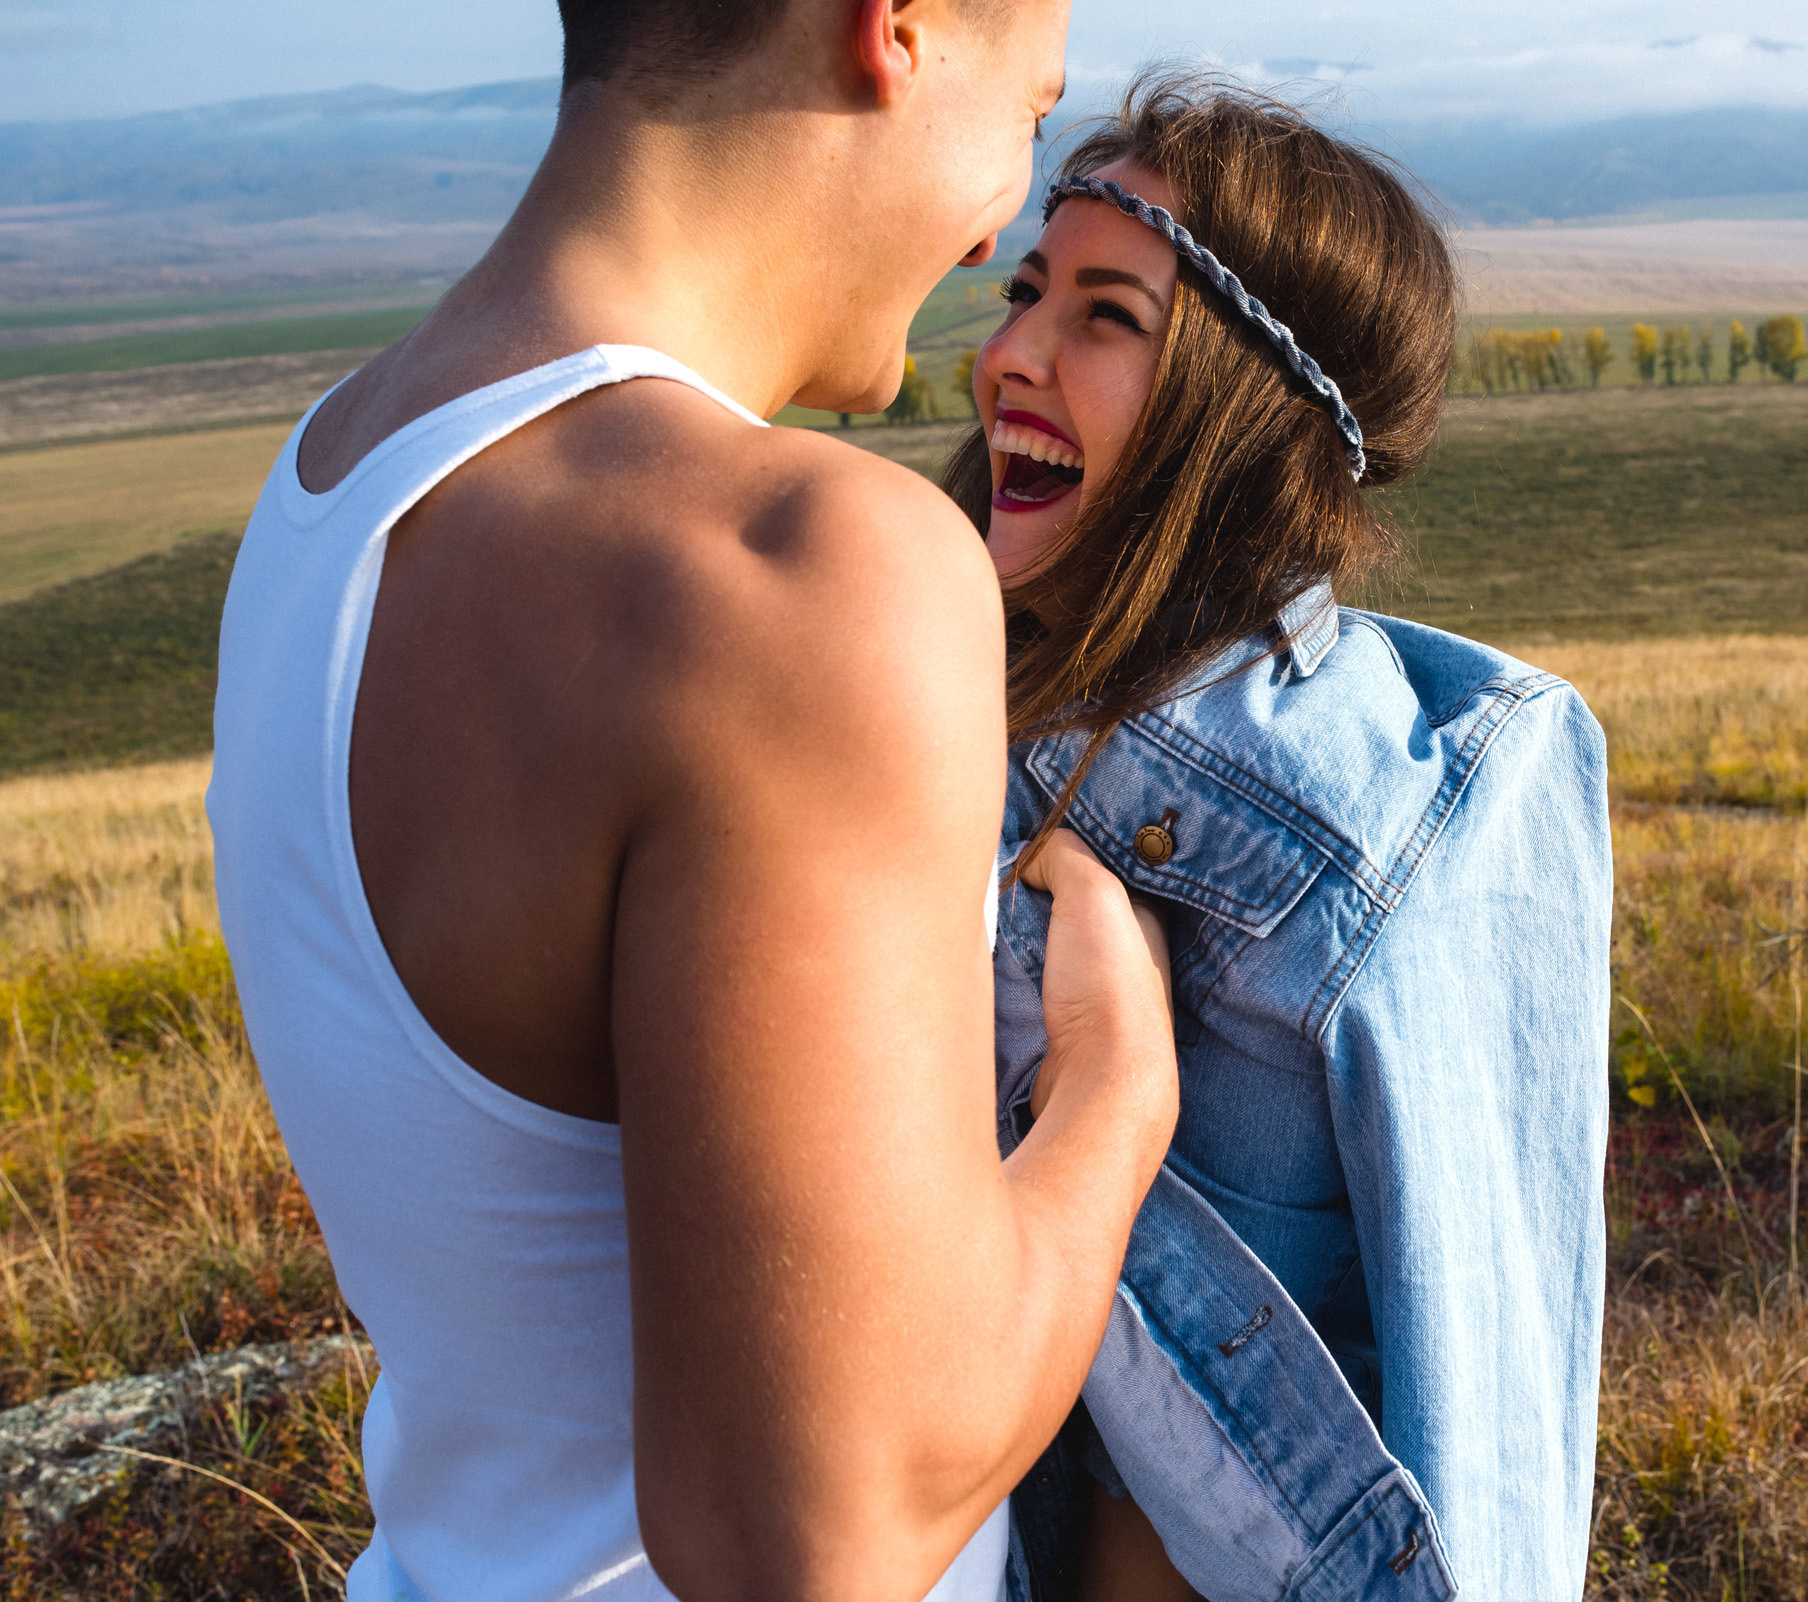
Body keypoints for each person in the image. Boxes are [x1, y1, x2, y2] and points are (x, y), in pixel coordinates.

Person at [205, 4, 1183, 1600]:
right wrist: (1118, 1094)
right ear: (901, 31)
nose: (999, 219)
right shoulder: (798, 568)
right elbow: (823, 1540)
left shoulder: (332, 469)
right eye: (1034, 106)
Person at [961, 78, 1615, 1601]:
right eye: (1026, 291)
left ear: (1248, 403)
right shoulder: (931, 696)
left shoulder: (1384, 818)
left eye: (1108, 316)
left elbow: (1489, 1381)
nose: (1010, 356)